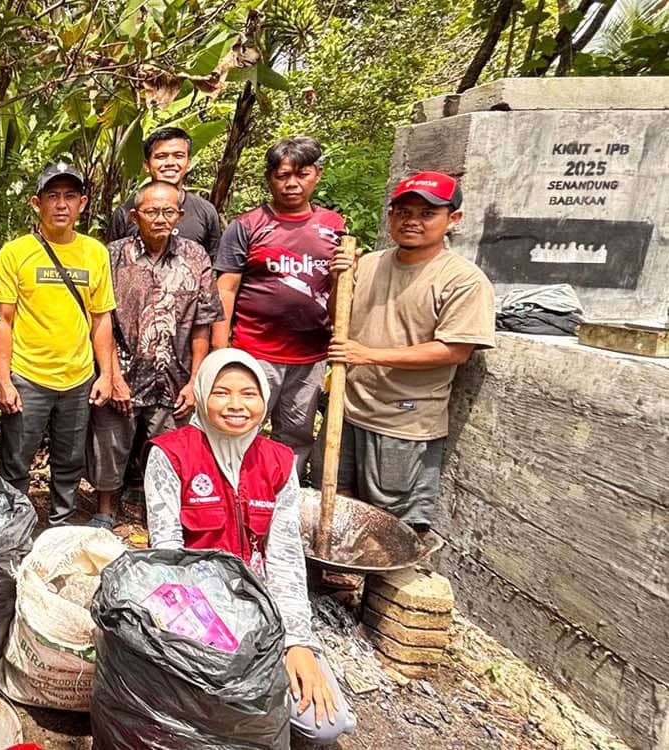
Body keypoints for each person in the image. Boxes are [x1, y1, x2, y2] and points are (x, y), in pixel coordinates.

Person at [144, 348, 356, 744]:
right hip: (196, 610)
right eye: (222, 392)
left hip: (260, 609)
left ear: (265, 398)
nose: (237, 405)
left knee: (325, 724)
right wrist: (214, 643)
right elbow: (168, 558)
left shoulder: (278, 461)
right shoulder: (171, 454)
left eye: (249, 393)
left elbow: (286, 558)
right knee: (212, 708)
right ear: (203, 393)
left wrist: (296, 643)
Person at [328, 171, 495, 533]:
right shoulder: (368, 263)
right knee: (338, 499)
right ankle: (340, 584)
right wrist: (336, 282)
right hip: (350, 407)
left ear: (454, 219)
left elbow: (455, 350)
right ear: (390, 216)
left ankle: (383, 589)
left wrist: (368, 355)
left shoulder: (462, 279)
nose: (412, 222)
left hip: (404, 420)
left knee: (393, 518)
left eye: (426, 213)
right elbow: (337, 321)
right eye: (403, 212)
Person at [85, 180, 222, 528]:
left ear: (179, 214)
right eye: (151, 211)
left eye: (168, 211)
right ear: (134, 216)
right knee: (110, 441)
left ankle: (161, 513)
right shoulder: (112, 255)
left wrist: (196, 380)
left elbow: (203, 323)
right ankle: (104, 508)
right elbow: (101, 318)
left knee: (167, 448)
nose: (160, 218)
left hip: (174, 375)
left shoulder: (195, 256)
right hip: (124, 370)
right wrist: (111, 374)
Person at [213, 136, 345, 477]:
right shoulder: (247, 226)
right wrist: (220, 348)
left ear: (317, 174)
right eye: (282, 175)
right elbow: (225, 288)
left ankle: (284, 493)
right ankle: (235, 490)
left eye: (301, 174)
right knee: (240, 425)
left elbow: (340, 287)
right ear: (270, 177)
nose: (291, 184)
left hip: (310, 354)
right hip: (255, 349)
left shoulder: (334, 228)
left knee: (296, 431)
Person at [0, 162, 116, 525]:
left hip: (77, 378)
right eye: (52, 196)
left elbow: (101, 318)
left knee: (69, 461)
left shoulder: (95, 253)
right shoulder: (15, 254)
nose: (61, 204)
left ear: (83, 203)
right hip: (28, 376)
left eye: (70, 196)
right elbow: (3, 319)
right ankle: (10, 529)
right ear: (36, 203)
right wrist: (3, 379)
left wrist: (105, 374)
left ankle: (61, 525)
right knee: (15, 460)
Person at [105, 125, 223, 251]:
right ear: (146, 165)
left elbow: (213, 263)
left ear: (188, 163)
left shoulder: (205, 212)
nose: (170, 163)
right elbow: (113, 260)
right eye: (161, 156)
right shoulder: (125, 213)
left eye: (178, 156)